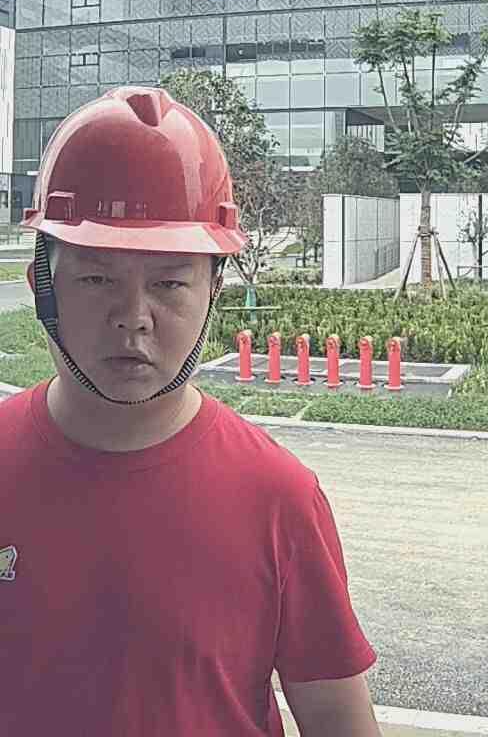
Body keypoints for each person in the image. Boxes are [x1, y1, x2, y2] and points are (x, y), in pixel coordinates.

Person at [0, 86, 380, 736]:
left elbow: (337, 722)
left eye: (170, 282)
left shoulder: (278, 497)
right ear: (43, 288)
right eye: (96, 279)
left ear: (214, 291)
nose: (134, 318)